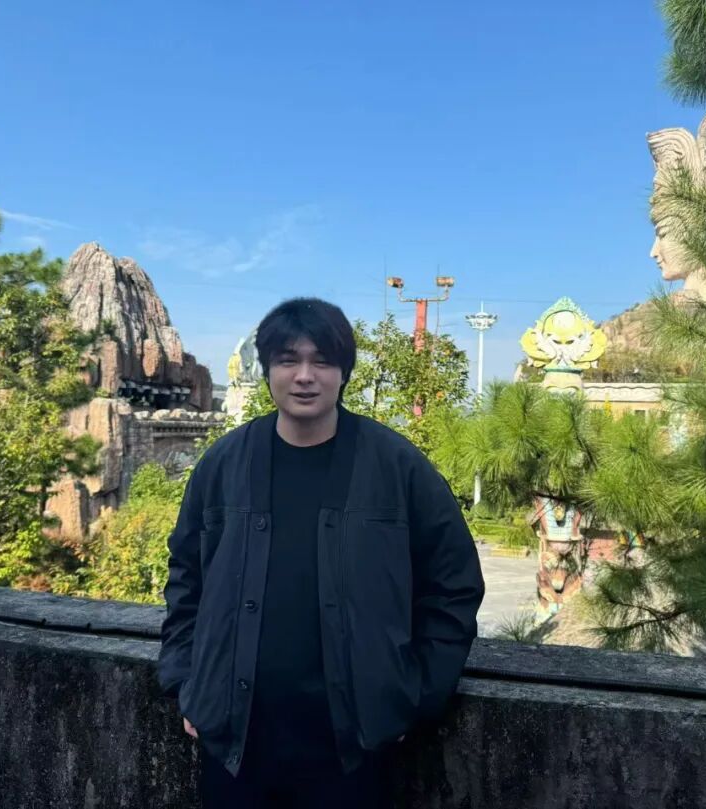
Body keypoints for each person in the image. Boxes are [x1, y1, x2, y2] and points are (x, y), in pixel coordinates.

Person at [157, 297, 485, 808]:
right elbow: (186, 578)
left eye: (323, 361)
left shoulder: (397, 466)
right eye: (288, 360)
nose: (305, 376)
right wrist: (186, 681)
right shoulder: (224, 464)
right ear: (267, 369)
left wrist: (414, 696)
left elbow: (454, 584)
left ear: (343, 373)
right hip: (235, 741)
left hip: (352, 748)